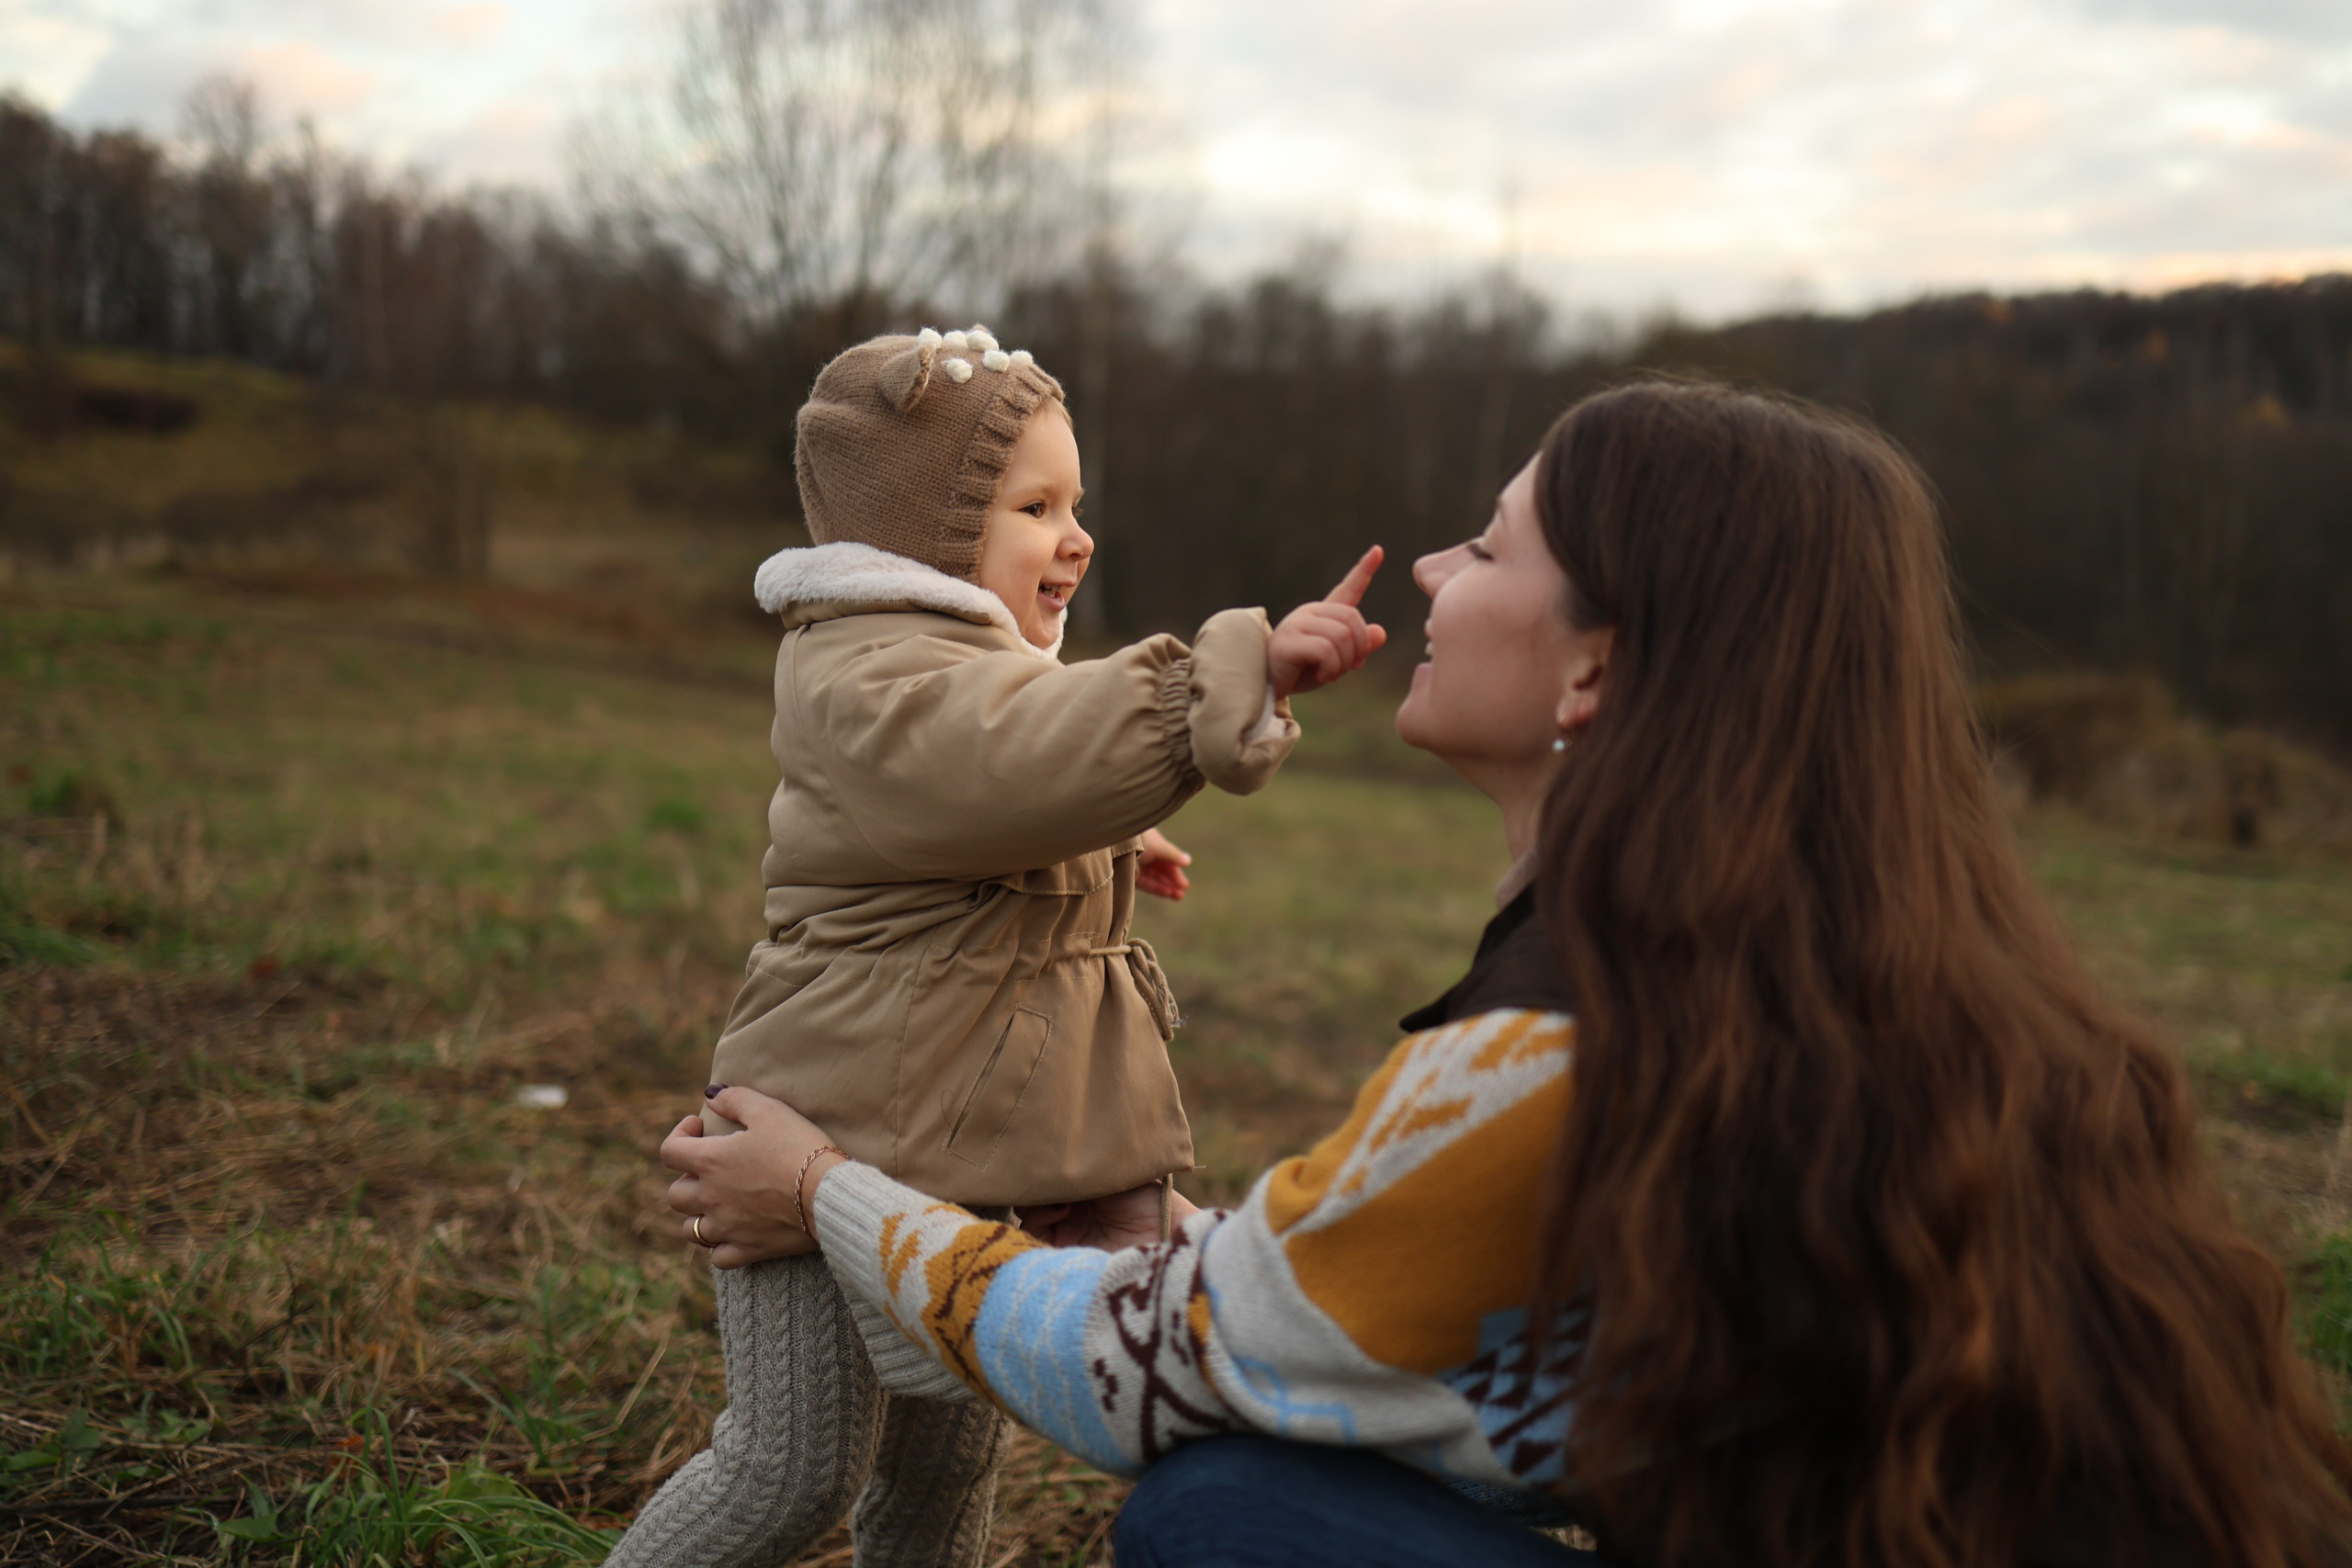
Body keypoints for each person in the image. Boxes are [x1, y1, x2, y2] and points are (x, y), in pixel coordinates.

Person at [659, 378, 2352, 1568]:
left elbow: (1172, 1373)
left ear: (1595, 667)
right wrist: (1181, 1249)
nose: (1436, 573)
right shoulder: (1814, 968)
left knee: (1223, 1519)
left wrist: (820, 1187)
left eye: (1487, 549)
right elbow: (1432, 1347)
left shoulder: (1565, 1043)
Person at [605, 325, 1388, 1568]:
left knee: (947, 1472)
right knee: (788, 1473)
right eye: (1036, 507)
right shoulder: (870, 670)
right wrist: (1212, 685)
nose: (1077, 537)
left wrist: (1109, 841)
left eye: (1077, 505)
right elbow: (1003, 755)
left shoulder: (960, 671)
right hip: (811, 1132)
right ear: (925, 532)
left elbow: (994, 791)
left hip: (966, 1153)